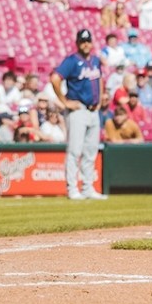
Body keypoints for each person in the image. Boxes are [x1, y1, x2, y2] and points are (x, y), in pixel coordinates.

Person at [50, 28, 106, 201]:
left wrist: (101, 99)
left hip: (93, 110)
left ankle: (88, 188)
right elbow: (55, 78)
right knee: (75, 150)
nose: (86, 44)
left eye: (88, 41)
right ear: (77, 43)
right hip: (78, 109)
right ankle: (72, 188)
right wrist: (64, 101)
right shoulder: (72, 61)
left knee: (90, 151)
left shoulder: (96, 60)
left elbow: (99, 79)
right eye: (82, 41)